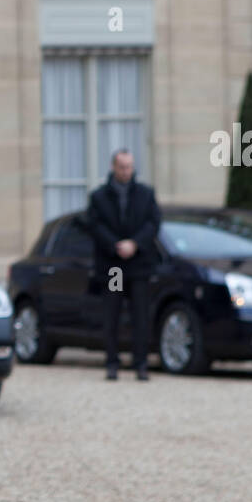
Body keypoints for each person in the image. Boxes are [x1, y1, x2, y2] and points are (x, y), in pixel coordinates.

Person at [86, 148, 161, 381]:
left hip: (138, 264)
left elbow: (153, 224)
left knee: (140, 315)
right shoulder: (99, 197)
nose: (126, 171)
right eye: (122, 167)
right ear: (113, 167)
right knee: (113, 315)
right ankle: (112, 362)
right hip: (114, 266)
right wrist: (116, 245)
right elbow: (95, 226)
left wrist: (135, 244)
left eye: (129, 167)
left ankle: (140, 363)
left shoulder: (145, 194)